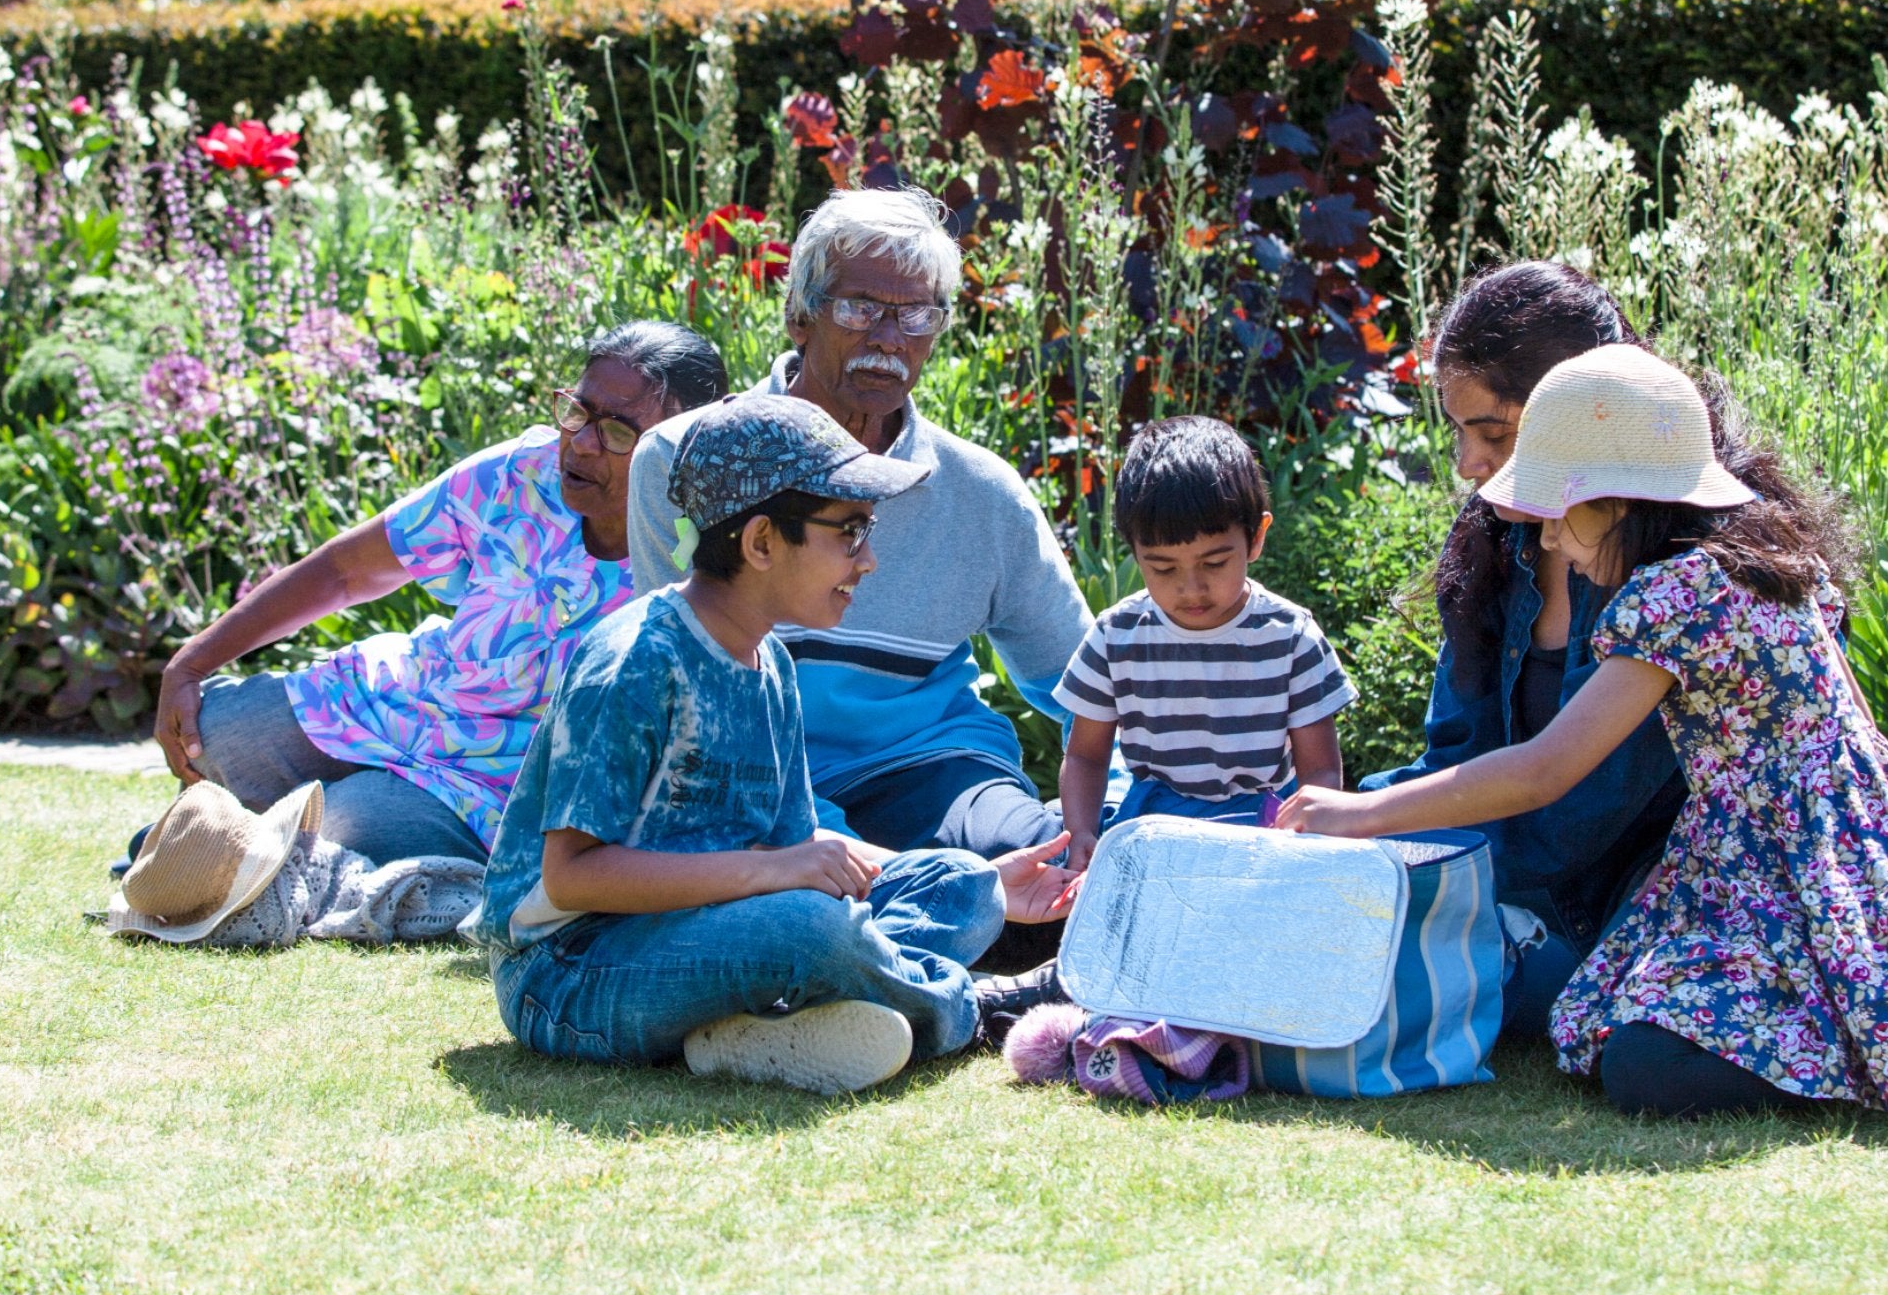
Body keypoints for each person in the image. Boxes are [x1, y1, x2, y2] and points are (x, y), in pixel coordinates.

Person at [1381, 261, 1888, 1067]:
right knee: (1465, 977)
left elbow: (1561, 784)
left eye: (1493, 433)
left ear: (1589, 412)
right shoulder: (1502, 546)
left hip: (1713, 882)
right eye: (1460, 433)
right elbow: (1460, 752)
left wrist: (1411, 854)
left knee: (1523, 998)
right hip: (1584, 883)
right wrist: (1360, 833)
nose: (1469, 464)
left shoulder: (1694, 565)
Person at [1284, 346, 1888, 1118]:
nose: (1544, 536)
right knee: (1622, 1037)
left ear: (1622, 504)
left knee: (1646, 1069)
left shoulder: (1676, 599)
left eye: (1557, 510)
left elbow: (1546, 770)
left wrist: (1356, 814)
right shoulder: (1761, 559)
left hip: (1783, 860)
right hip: (1814, 850)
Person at [478, 395, 1082, 1094]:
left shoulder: (772, 665)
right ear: (762, 542)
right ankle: (969, 1007)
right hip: (569, 971)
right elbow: (573, 877)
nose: (870, 561)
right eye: (850, 533)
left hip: (713, 929)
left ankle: (762, 1031)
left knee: (955, 884)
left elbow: (804, 845)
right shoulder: (637, 659)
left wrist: (982, 882)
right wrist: (776, 873)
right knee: (807, 929)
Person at [622, 188, 1092, 917]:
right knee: (814, 898)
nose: (890, 338)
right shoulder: (684, 464)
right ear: (799, 314)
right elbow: (689, 691)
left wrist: (1108, 814)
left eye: (917, 315)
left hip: (934, 766)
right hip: (757, 776)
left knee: (1044, 871)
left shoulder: (980, 494)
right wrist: (840, 849)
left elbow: (1088, 684)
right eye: (860, 308)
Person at [134, 321, 729, 868]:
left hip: (497, 779)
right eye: (577, 411)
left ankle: (210, 854)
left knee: (342, 828)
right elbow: (346, 571)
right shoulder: (518, 473)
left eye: (619, 431)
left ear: (681, 449)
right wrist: (192, 662)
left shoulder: (693, 556)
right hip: (405, 700)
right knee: (213, 735)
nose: (582, 443)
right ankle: (209, 850)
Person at [1054, 416, 1352, 858]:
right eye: (1163, 568)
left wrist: (1309, 838)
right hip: (1154, 821)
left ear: (1255, 538)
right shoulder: (1117, 637)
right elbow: (1085, 757)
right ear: (1133, 551)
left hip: (1264, 824)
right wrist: (1081, 833)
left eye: (1214, 564)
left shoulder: (1290, 638)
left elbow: (1321, 771)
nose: (1191, 589)